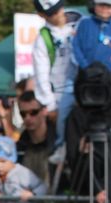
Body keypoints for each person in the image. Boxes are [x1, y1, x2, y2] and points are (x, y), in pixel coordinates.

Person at [30, 0, 81, 138]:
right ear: (41, 15)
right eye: (51, 13)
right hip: (60, 95)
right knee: (64, 135)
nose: (58, 15)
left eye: (58, 9)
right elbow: (41, 75)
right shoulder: (43, 39)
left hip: (85, 87)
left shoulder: (81, 23)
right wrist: (51, 105)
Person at [71, 1, 111, 83]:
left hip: (105, 75)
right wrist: (85, 66)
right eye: (101, 5)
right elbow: (75, 45)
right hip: (84, 73)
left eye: (109, 6)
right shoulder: (84, 23)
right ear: (93, 5)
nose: (104, 9)